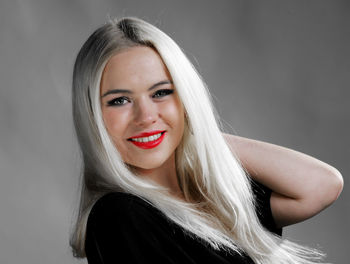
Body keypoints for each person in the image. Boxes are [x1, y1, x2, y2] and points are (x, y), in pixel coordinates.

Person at [70, 17, 343, 264]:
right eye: (120, 100)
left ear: (187, 99)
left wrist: (200, 133)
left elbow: (321, 185)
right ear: (92, 115)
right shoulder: (119, 216)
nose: (146, 116)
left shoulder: (217, 198)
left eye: (161, 93)